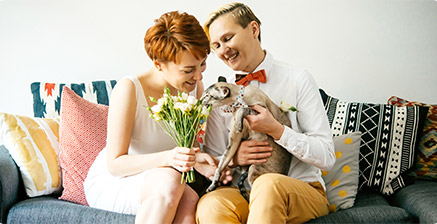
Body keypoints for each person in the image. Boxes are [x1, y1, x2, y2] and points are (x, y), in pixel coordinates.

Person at [83, 11, 231, 224]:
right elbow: (115, 164)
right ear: (158, 64)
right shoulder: (129, 89)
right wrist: (169, 158)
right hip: (117, 179)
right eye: (188, 70)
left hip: (164, 178)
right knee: (172, 180)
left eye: (202, 65)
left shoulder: (194, 87)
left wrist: (198, 161)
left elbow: (185, 147)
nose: (199, 76)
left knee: (189, 197)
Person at [196, 2, 336, 223]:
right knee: (211, 205)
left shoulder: (298, 80)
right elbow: (212, 158)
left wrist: (278, 131)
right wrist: (234, 159)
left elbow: (327, 157)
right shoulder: (220, 93)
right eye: (217, 45)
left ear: (253, 29)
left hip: (301, 189)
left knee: (267, 185)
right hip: (242, 192)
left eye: (228, 38)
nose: (223, 49)